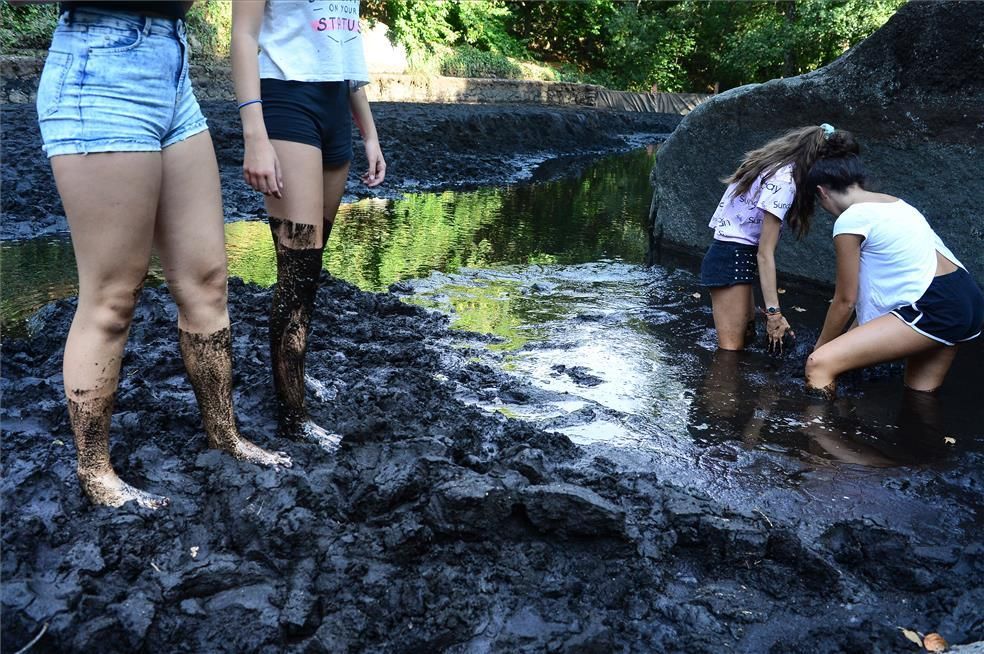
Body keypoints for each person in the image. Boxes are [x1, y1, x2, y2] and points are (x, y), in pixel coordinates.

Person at [35, 1, 290, 509]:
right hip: (99, 66)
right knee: (113, 298)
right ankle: (95, 471)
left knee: (207, 280)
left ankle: (224, 435)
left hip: (172, 65)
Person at [231, 0, 385, 448]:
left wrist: (369, 133)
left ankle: (291, 374)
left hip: (336, 106)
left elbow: (344, 49)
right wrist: (254, 136)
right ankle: (292, 418)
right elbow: (243, 36)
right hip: (286, 103)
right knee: (296, 276)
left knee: (310, 271)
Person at [804, 152, 983, 396]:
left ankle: (815, 433)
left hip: (935, 305)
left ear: (822, 192)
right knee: (919, 398)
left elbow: (845, 300)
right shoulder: (895, 203)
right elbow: (876, 294)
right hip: (967, 299)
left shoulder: (850, 220)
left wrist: (821, 348)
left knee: (820, 365)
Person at [700, 125, 858, 353]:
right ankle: (720, 389)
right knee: (730, 353)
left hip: (734, 255)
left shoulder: (777, 165)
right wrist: (774, 313)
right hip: (731, 257)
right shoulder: (785, 180)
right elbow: (765, 253)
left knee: (746, 339)